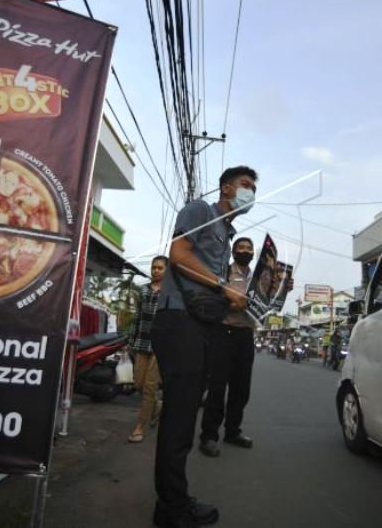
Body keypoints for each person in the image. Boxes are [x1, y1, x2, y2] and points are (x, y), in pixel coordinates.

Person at [150, 166, 256, 528]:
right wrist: (222, 285)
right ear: (227, 187)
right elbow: (178, 255)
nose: (251, 193)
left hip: (199, 325)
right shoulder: (200, 211)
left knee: (183, 414)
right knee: (180, 418)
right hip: (178, 321)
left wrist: (231, 296)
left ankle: (171, 500)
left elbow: (207, 285)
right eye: (246, 186)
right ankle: (172, 508)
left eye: (254, 188)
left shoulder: (227, 234)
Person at [199, 237, 257, 457]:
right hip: (223, 332)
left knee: (241, 389)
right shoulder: (223, 271)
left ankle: (233, 431)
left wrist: (284, 290)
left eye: (248, 248)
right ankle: (209, 436)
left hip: (246, 335)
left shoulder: (259, 277)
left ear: (253, 253)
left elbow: (267, 301)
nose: (244, 251)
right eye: (240, 248)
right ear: (233, 251)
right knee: (217, 387)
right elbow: (212, 298)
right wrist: (231, 303)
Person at [128, 256, 168, 443]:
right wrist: (130, 343)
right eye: (154, 267)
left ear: (167, 270)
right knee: (138, 384)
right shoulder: (143, 290)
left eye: (160, 268)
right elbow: (136, 318)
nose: (156, 270)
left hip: (160, 347)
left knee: (150, 387)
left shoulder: (170, 293)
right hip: (141, 343)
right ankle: (157, 407)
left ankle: (140, 427)